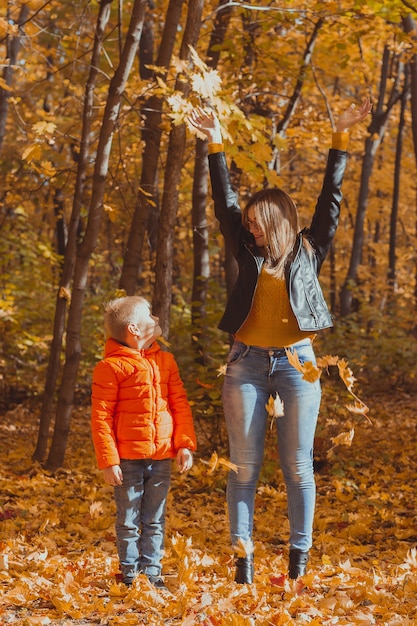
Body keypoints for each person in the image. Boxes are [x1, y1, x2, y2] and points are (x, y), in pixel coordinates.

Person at [187, 97, 372, 583]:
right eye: (246, 223)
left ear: (277, 220)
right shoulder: (246, 250)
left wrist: (342, 137)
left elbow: (330, 199)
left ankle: (297, 563)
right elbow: (223, 201)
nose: (248, 226)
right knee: (244, 469)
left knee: (297, 469)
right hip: (245, 363)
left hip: (298, 365)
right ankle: (242, 564)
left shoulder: (310, 249)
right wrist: (215, 139)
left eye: (255, 221)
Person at [91, 295, 197, 589]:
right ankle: (130, 575)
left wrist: (184, 444)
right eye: (150, 316)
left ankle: (152, 572)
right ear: (135, 330)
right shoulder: (110, 367)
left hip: (162, 456)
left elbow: (179, 404)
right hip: (127, 461)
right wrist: (108, 461)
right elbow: (100, 418)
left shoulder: (165, 361)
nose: (157, 320)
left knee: (154, 519)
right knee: (128, 520)